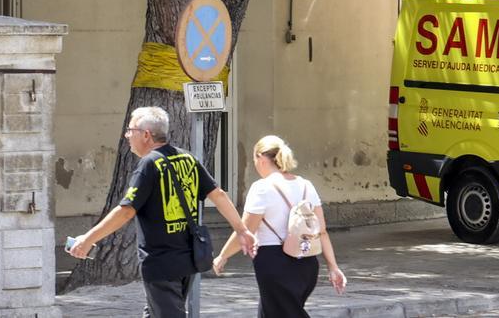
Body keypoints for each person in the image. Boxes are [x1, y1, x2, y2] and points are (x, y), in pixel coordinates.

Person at [67, 106, 256, 317]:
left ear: (146, 134)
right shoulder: (188, 159)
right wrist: (241, 230)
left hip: (161, 262)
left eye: (130, 130)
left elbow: (126, 211)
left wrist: (88, 239)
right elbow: (218, 194)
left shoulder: (149, 164)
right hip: (188, 259)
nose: (127, 135)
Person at [213, 135, 347, 317]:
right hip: (307, 263)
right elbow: (321, 232)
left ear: (260, 158)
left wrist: (223, 256)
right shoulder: (307, 186)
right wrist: (333, 267)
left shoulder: (262, 188)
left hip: (274, 263)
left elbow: (245, 231)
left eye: (254, 159)